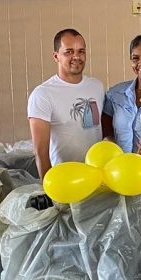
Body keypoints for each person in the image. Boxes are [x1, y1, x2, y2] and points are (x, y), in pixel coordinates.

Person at [27, 28, 105, 178]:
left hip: (97, 176)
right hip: (65, 178)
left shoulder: (97, 86)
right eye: (69, 52)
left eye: (81, 51)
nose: (76, 56)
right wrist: (48, 185)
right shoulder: (42, 94)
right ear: (56, 56)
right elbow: (40, 152)